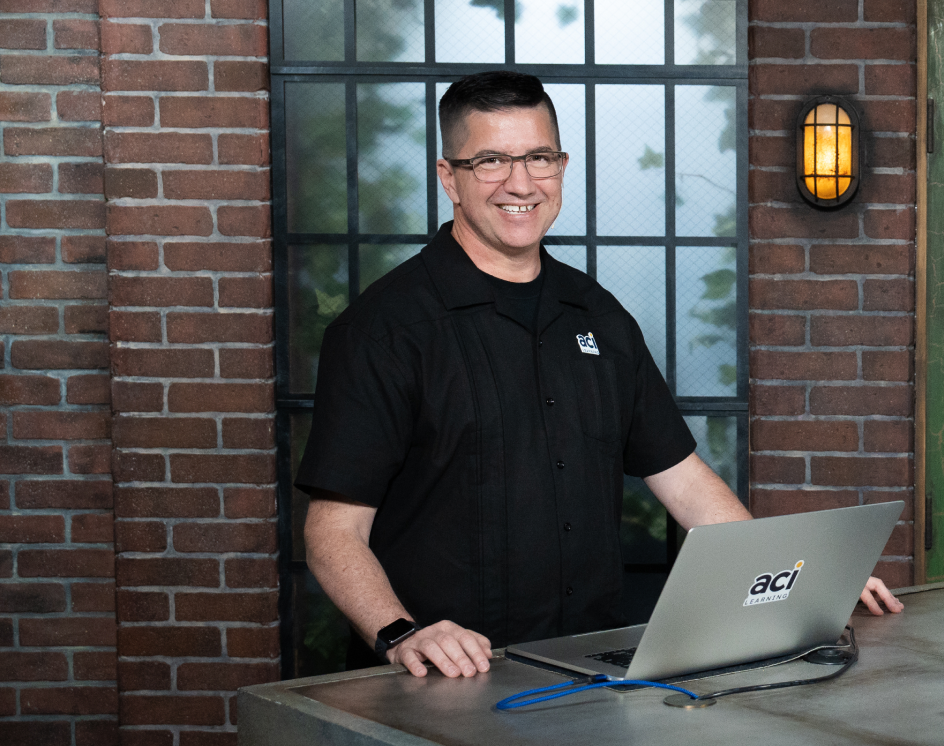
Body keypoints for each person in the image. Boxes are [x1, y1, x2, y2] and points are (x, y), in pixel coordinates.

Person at [299, 71, 901, 681]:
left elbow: (687, 485)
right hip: (443, 685)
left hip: (589, 675)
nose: (520, 184)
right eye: (490, 161)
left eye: (538, 157)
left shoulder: (600, 317)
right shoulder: (383, 331)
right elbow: (334, 531)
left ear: (561, 166)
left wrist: (803, 585)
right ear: (447, 177)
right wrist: (403, 634)